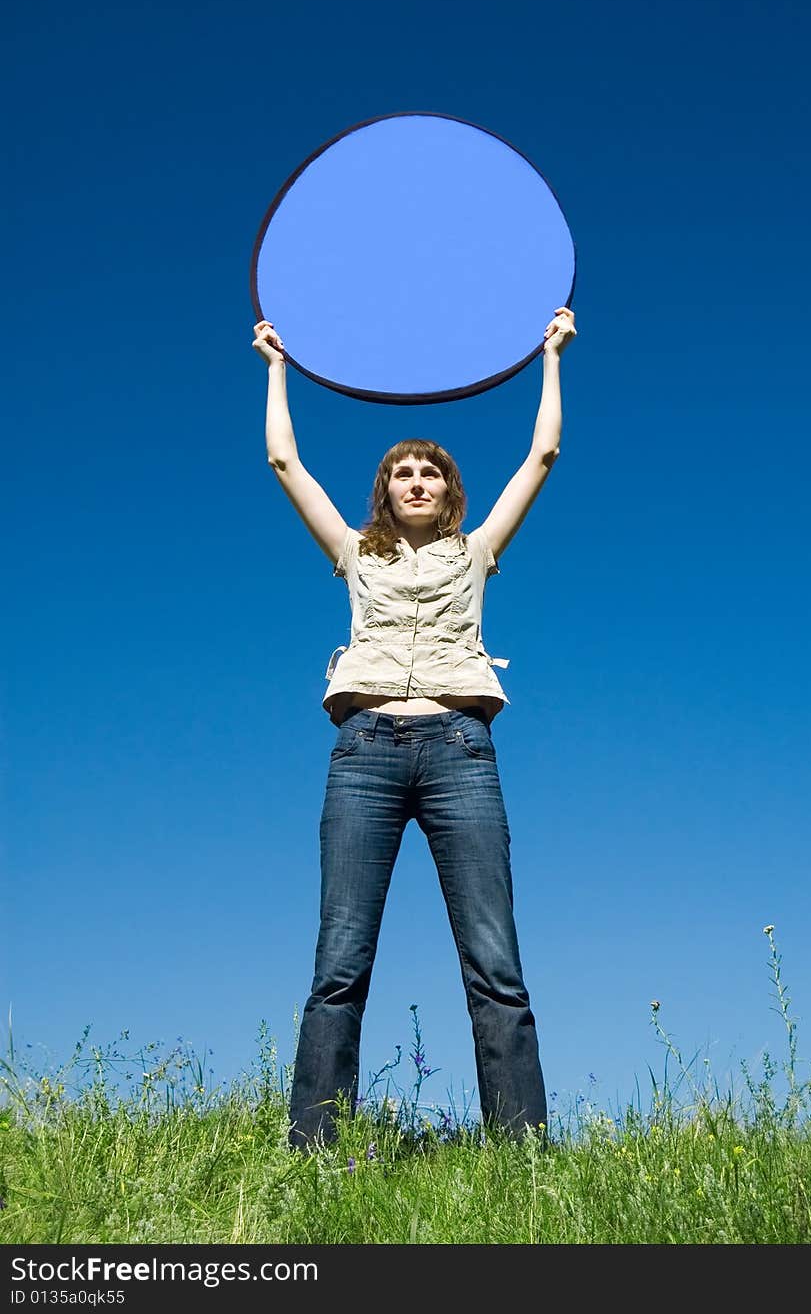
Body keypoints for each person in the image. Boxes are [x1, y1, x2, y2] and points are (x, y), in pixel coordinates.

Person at [252, 304, 577, 1149]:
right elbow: (285, 462)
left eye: (431, 471)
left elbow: (541, 455)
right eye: (403, 472)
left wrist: (551, 356)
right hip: (362, 753)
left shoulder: (474, 554)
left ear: (450, 490)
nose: (418, 481)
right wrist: (278, 366)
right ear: (386, 492)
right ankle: (313, 1154)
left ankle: (524, 1159)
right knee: (340, 964)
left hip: (461, 750)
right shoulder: (357, 555)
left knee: (495, 966)